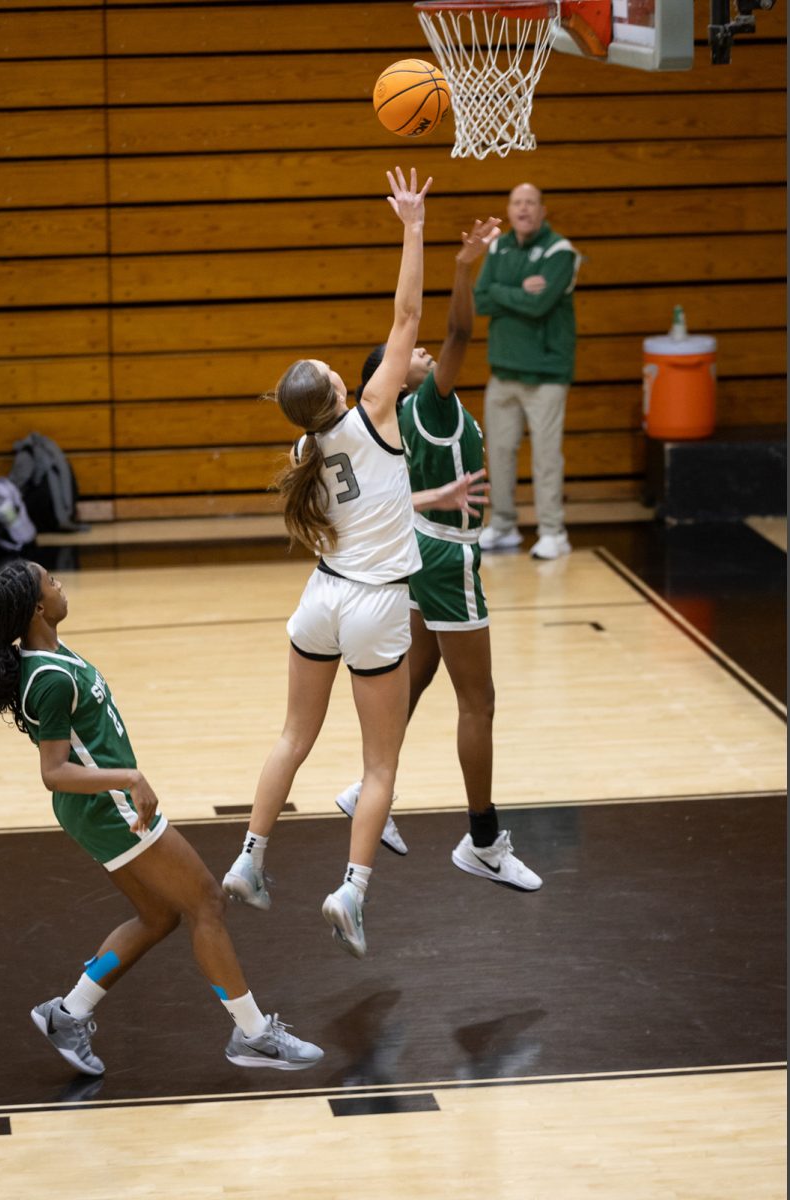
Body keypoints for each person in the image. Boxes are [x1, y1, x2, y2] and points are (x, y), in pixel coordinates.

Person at [223, 166, 447, 961]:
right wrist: (413, 226)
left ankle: (250, 859)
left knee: (292, 735)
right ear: (340, 388)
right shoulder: (376, 416)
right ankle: (351, 891)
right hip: (378, 604)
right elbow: (408, 314)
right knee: (379, 763)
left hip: (320, 599)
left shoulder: (303, 447)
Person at [0, 559, 323, 1076]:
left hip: (96, 810)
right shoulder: (46, 678)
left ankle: (69, 1013)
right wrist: (130, 778)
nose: (59, 583)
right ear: (36, 609)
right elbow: (53, 771)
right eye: (50, 581)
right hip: (108, 809)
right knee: (206, 899)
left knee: (160, 915)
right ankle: (253, 1035)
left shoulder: (47, 654)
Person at [334, 218, 543, 892]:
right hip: (449, 559)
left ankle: (367, 793)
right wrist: (464, 267)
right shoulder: (430, 404)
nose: (421, 352)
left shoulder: (397, 419)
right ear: (397, 382)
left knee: (416, 678)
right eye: (410, 356)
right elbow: (458, 333)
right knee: (478, 703)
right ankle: (482, 839)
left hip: (420, 553)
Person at [474, 183, 580, 560]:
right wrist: (518, 288)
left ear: (542, 211)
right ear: (509, 209)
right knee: (498, 452)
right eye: (517, 203)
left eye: (530, 203)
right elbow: (479, 298)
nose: (523, 209)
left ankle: (553, 531)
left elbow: (540, 306)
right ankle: (503, 525)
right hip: (503, 371)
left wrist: (502, 291)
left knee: (546, 456)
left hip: (546, 373)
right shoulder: (498, 246)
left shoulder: (559, 252)